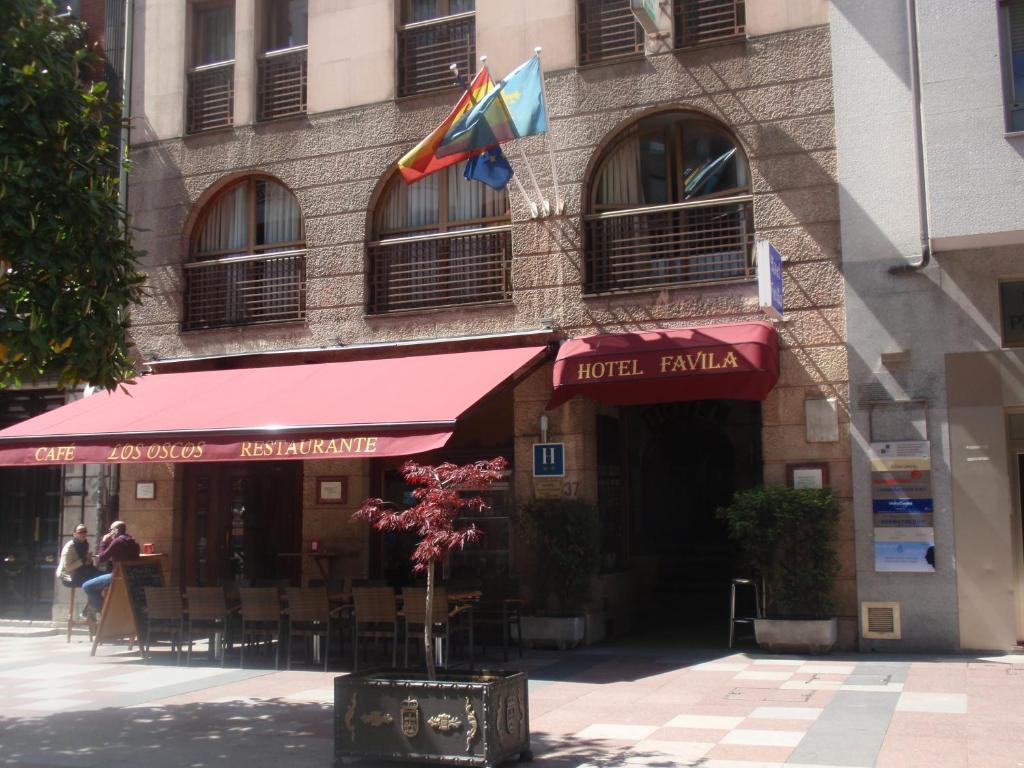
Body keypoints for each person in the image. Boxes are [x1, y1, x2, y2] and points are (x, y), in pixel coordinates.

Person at [82, 521, 141, 614]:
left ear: (116, 530)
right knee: (99, 582)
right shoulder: (133, 541)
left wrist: (104, 542)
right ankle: (98, 608)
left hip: (119, 576)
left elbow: (102, 558)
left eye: (111, 530)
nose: (109, 532)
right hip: (132, 575)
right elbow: (123, 555)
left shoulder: (118, 541)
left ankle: (103, 611)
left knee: (87, 586)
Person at [56, 524, 100, 589]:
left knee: (102, 577)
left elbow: (86, 563)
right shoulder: (69, 547)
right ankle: (96, 598)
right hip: (69, 577)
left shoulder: (85, 544)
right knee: (96, 582)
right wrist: (84, 559)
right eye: (80, 532)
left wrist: (89, 560)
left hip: (82, 572)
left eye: (84, 532)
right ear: (74, 534)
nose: (83, 534)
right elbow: (67, 568)